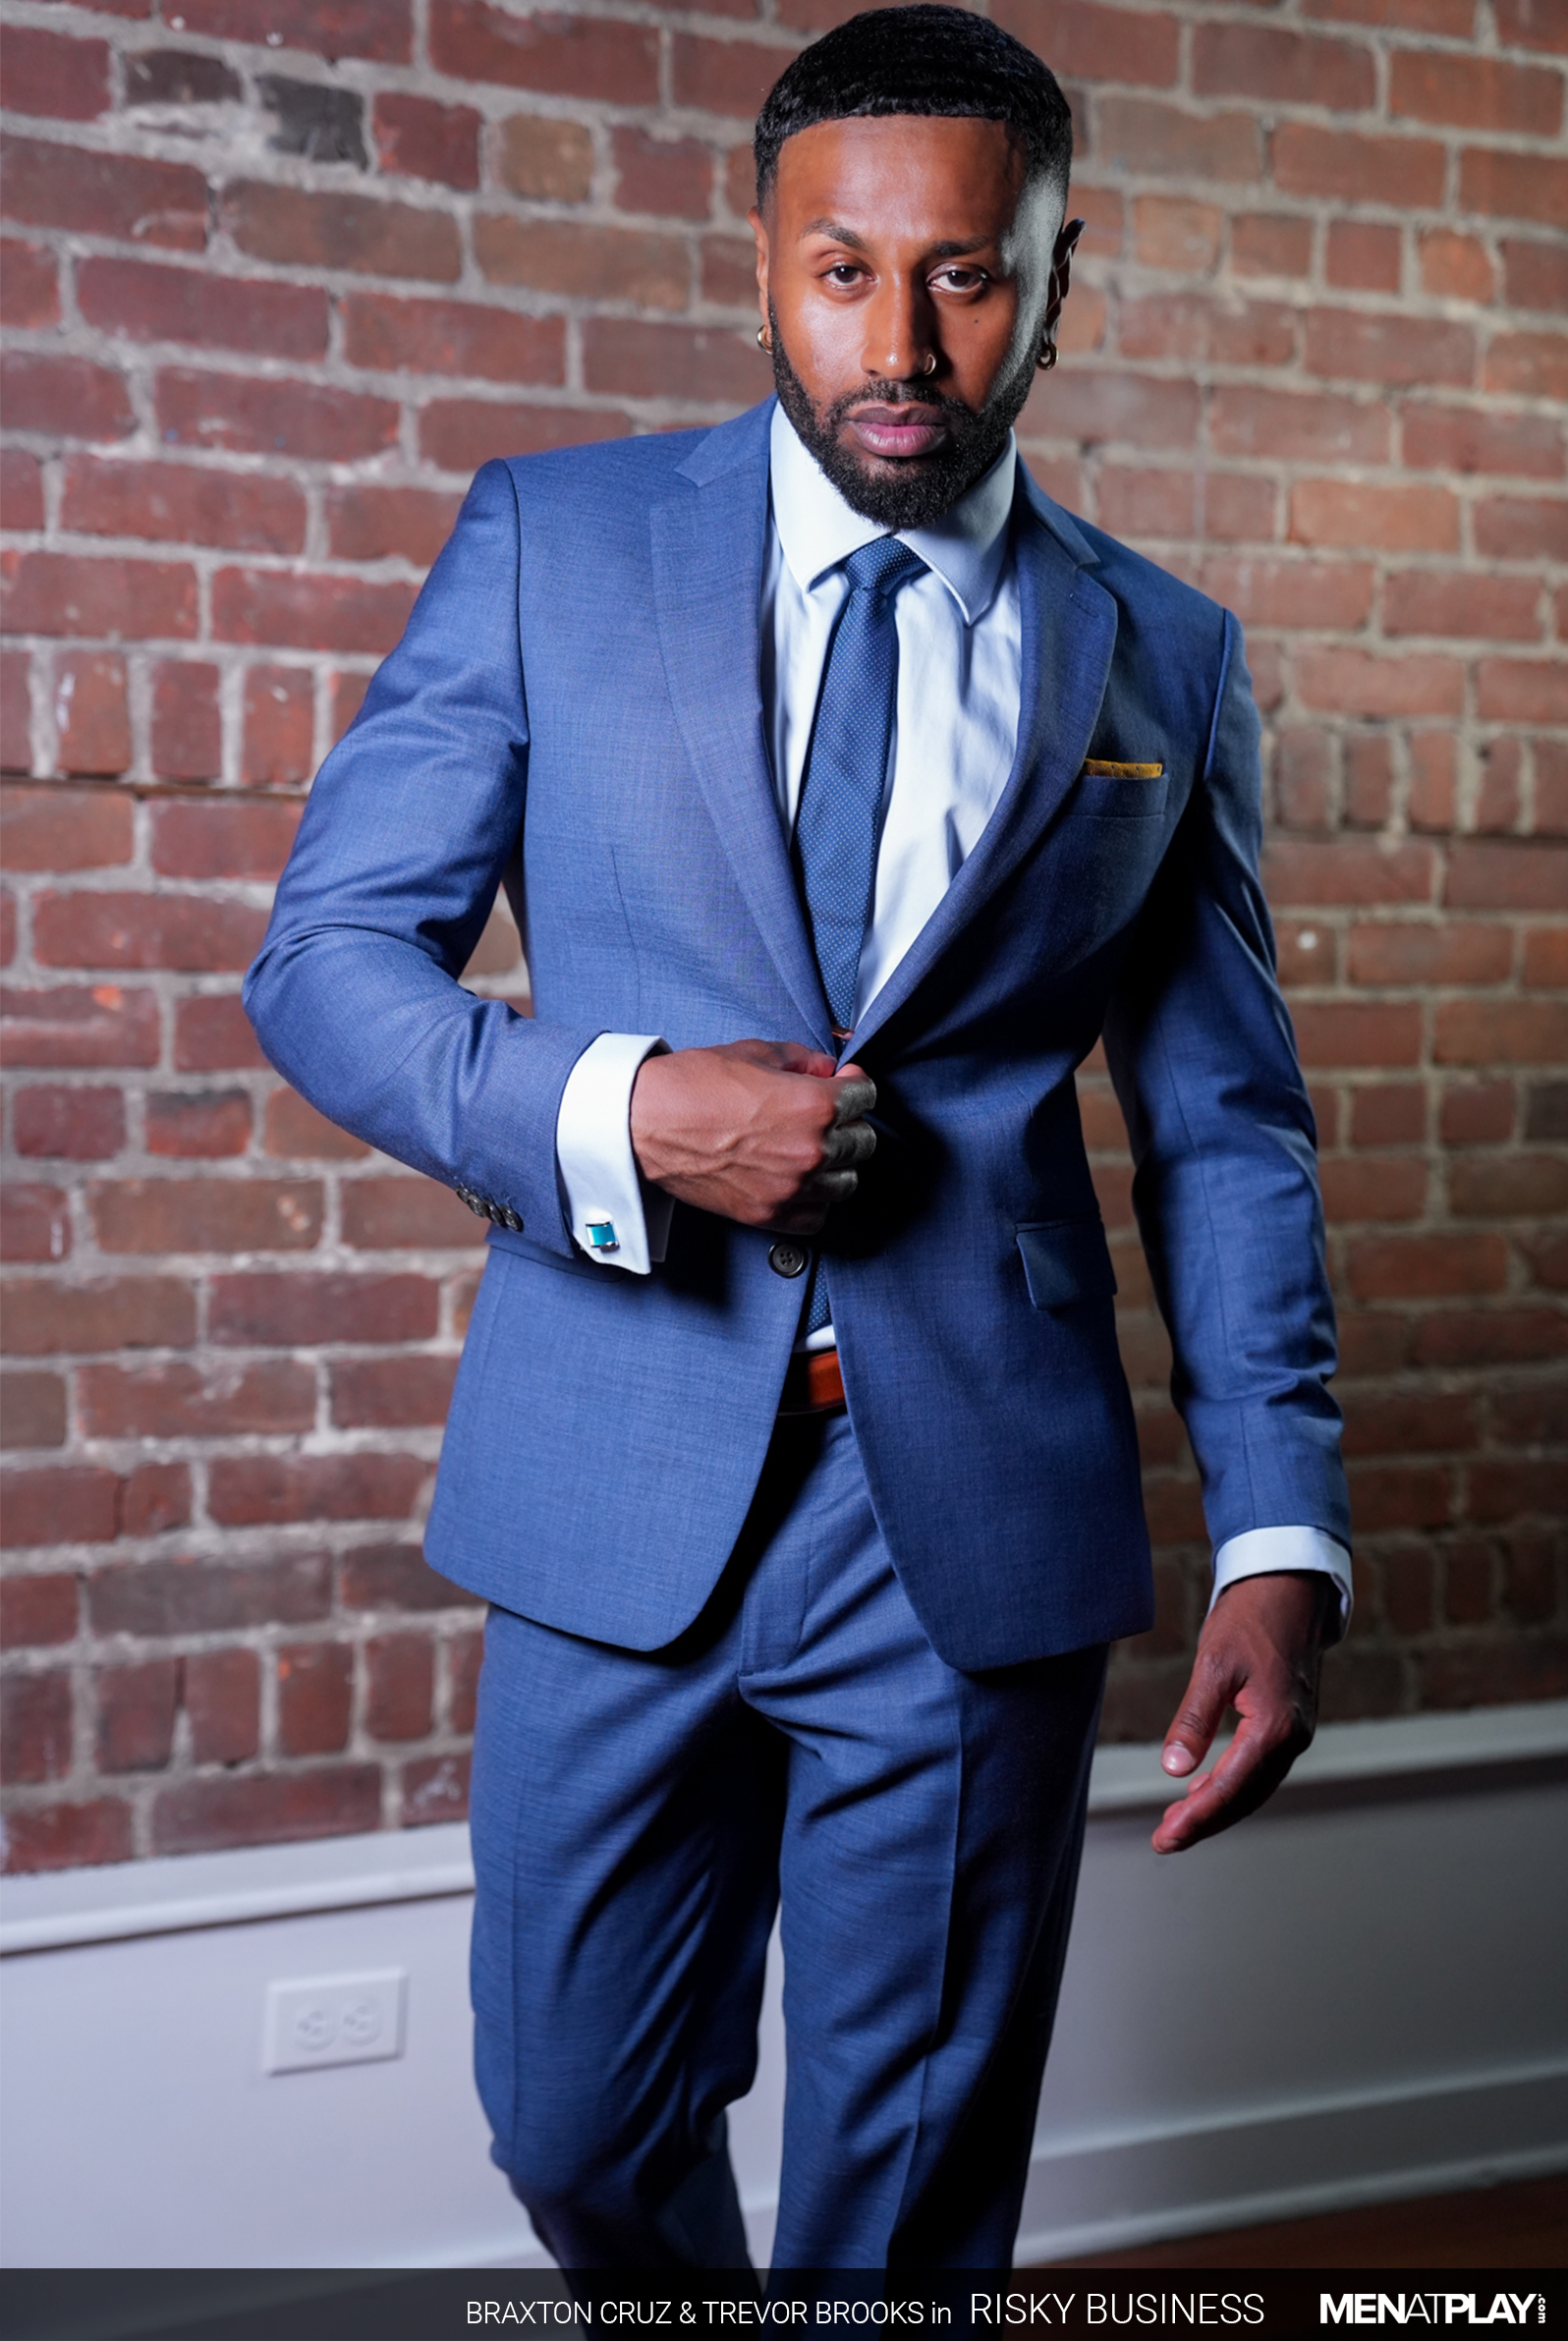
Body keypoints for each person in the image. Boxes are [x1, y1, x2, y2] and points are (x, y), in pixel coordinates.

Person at [244, 4, 1352, 2274]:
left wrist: (1279, 1534)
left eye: (965, 276)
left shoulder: (1162, 655)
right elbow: (330, 959)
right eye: (844, 272)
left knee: (906, 2207)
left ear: (1055, 276)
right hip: (611, 1459)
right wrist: (624, 1108)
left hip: (965, 1513)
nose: (901, 344)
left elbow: (1225, 1129)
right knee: (570, 2123)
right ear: (765, 259)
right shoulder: (553, 546)